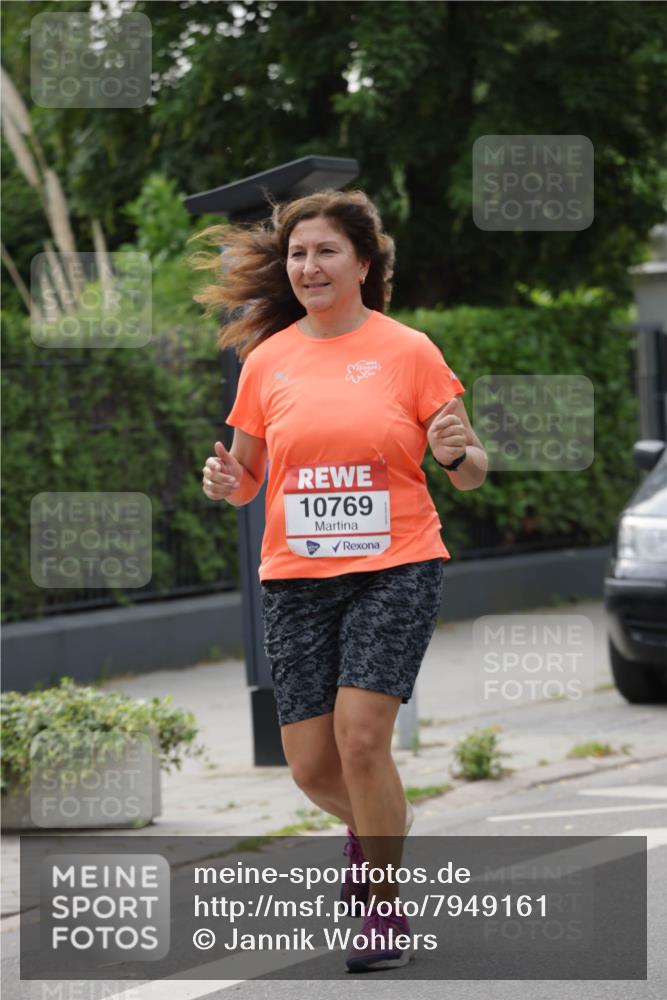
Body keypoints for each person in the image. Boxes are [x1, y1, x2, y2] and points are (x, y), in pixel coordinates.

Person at [190, 189, 487, 972]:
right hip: (296, 578)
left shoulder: (409, 350)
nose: (308, 266)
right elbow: (248, 477)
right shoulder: (266, 361)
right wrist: (225, 483)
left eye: (324, 251)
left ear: (362, 263)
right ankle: (378, 827)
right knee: (312, 766)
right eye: (296, 254)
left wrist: (457, 450)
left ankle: (383, 914)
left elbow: (468, 474)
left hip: (394, 566)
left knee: (361, 741)